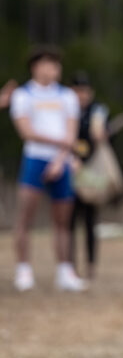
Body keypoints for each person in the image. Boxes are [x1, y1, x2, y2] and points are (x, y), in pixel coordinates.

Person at [9, 46, 87, 292]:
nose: (54, 69)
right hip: (35, 159)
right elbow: (27, 132)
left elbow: (71, 132)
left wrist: (60, 157)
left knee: (63, 220)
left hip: (60, 162)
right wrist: (61, 143)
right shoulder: (23, 95)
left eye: (56, 64)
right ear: (36, 67)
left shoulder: (67, 96)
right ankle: (23, 268)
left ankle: (65, 269)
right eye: (49, 64)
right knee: (25, 216)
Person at [68, 71, 109, 280]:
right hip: (70, 168)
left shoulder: (98, 111)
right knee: (70, 220)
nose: (82, 95)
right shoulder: (66, 110)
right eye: (78, 91)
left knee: (91, 220)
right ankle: (70, 265)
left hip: (91, 171)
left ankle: (91, 265)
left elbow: (102, 136)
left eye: (85, 91)